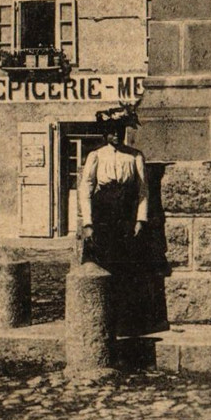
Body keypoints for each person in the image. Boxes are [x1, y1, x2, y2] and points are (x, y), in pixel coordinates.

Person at [78, 104, 149, 331]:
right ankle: (99, 321)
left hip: (125, 217)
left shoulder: (135, 156)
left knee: (127, 268)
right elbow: (85, 190)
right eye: (111, 131)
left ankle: (125, 323)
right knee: (101, 264)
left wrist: (140, 220)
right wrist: (88, 223)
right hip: (103, 216)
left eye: (119, 131)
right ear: (105, 134)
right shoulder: (96, 156)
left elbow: (142, 191)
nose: (115, 135)